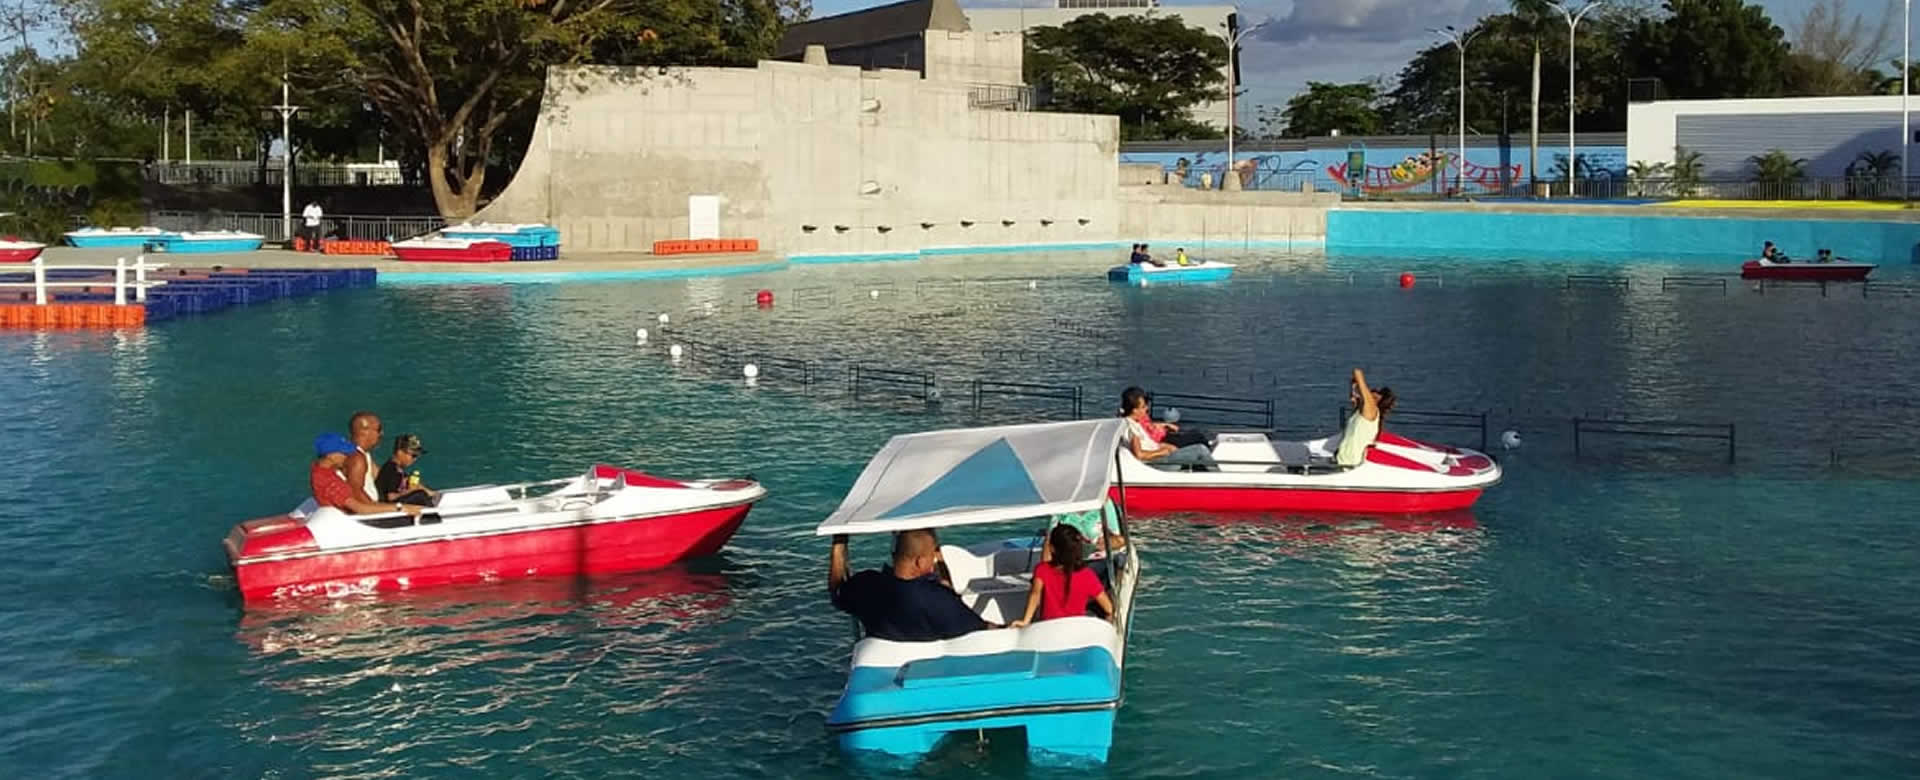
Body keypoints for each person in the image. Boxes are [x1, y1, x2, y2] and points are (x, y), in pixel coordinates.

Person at [828, 528, 994, 642]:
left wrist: (839, 545)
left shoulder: (867, 586)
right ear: (920, 561)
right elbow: (983, 629)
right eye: (932, 555)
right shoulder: (937, 600)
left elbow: (837, 592)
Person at [1010, 525, 1115, 628]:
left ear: (1052, 548)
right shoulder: (1087, 575)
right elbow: (1108, 608)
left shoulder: (1042, 570)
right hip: (1075, 628)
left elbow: (1035, 595)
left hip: (1047, 627)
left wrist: (1025, 621)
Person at [311, 433, 421, 517]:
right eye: (344, 453)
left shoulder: (318, 469)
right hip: (355, 521)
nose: (346, 456)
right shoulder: (331, 483)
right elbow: (361, 509)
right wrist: (400, 508)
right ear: (331, 455)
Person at [1119, 386, 1214, 470]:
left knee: (1195, 450)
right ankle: (1219, 479)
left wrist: (1164, 446)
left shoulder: (1135, 423)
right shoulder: (1131, 428)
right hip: (1156, 464)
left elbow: (1148, 445)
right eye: (1143, 407)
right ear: (1134, 410)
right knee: (1200, 450)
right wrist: (1162, 452)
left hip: (1159, 458)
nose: (1147, 409)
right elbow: (1139, 455)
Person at [1334, 368, 1397, 468]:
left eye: (1375, 391)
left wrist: (1359, 379)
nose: (1372, 390)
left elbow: (1357, 372)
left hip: (1350, 463)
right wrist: (1353, 386)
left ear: (1377, 399)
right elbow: (1354, 397)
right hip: (1343, 460)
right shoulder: (1361, 411)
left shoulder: (1371, 409)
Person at [376, 433, 437, 506]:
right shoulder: (391, 470)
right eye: (413, 455)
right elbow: (390, 497)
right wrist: (412, 491)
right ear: (400, 452)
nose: (415, 459)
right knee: (420, 495)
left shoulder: (398, 469)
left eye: (417, 456)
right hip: (389, 508)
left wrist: (433, 494)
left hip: (397, 504)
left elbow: (414, 484)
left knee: (421, 493)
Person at [342, 411, 385, 506]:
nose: (381, 433)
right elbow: (355, 493)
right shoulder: (356, 458)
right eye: (379, 429)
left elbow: (380, 476)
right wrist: (379, 509)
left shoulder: (363, 453)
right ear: (364, 431)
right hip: (366, 511)